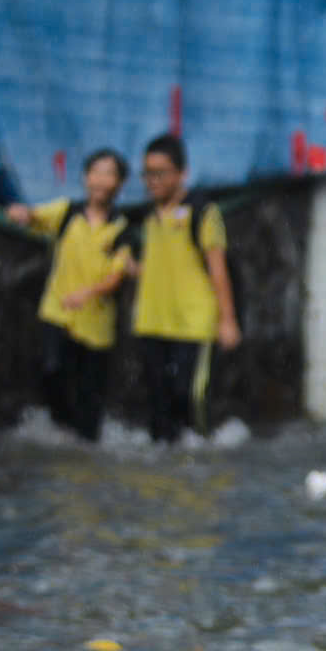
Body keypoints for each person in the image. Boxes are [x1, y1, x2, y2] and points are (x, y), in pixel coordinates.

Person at [6, 148, 134, 442]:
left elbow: (116, 277)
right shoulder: (67, 212)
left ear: (119, 183)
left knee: (90, 396)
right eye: (96, 172)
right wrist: (20, 213)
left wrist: (88, 293)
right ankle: (62, 430)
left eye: (109, 174)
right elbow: (35, 216)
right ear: (85, 177)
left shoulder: (121, 230)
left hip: (96, 326)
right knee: (52, 371)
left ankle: (83, 448)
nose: (101, 180)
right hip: (58, 312)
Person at [127, 133, 240, 445]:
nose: (153, 181)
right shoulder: (149, 216)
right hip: (152, 322)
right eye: (148, 174)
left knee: (188, 398)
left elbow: (218, 269)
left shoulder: (203, 212)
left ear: (182, 173)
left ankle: (199, 469)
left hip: (193, 325)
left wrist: (227, 320)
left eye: (160, 173)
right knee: (157, 405)